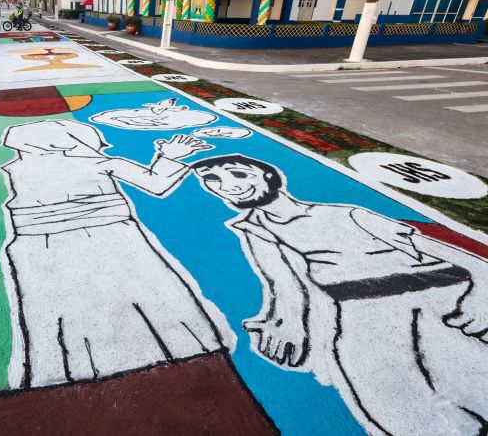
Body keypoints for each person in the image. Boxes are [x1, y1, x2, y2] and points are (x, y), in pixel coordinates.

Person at [191, 153, 488, 436]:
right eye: (213, 181)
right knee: (395, 407)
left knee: (471, 383)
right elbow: (283, 283)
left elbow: (435, 250)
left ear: (269, 175)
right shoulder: (254, 228)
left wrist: (479, 289)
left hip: (437, 297)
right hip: (359, 311)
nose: (228, 185)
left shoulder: (344, 214)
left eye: (239, 174)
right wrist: (283, 324)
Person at [0, 120, 235, 389]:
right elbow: (156, 183)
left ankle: (60, 376)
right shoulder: (101, 163)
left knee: (61, 316)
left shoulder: (15, 171)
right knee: (153, 296)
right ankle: (195, 360)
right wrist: (169, 157)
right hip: (108, 236)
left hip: (37, 246)